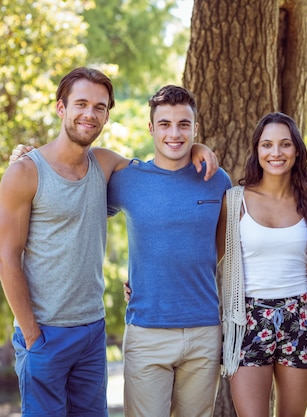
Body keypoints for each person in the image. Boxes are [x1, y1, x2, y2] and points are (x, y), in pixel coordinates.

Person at [0, 67, 217, 416]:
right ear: (61, 108)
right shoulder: (24, 172)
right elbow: (6, 259)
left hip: (91, 331)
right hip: (43, 331)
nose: (90, 114)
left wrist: (197, 147)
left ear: (107, 115)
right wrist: (32, 335)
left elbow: (160, 173)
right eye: (81, 104)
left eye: (99, 107)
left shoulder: (105, 164)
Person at [106, 85, 232, 417]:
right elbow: (79, 205)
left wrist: (178, 270)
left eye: (183, 124)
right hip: (147, 330)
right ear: (151, 128)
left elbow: (219, 244)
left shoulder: (217, 180)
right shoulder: (127, 179)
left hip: (204, 328)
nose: (174, 133)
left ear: (194, 127)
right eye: (164, 124)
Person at [217, 112, 307, 417]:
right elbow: (206, 262)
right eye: (267, 145)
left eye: (284, 144)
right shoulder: (234, 201)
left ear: (296, 150)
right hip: (248, 320)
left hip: (300, 318)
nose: (276, 153)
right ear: (257, 151)